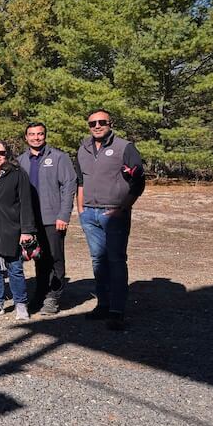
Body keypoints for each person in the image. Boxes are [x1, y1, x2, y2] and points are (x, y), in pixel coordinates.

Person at [76, 109, 145, 330]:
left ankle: (117, 310)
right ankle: (103, 305)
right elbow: (80, 181)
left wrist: (123, 207)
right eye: (92, 123)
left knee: (115, 260)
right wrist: (81, 210)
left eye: (101, 122)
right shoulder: (83, 149)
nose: (97, 126)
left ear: (110, 123)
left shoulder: (124, 147)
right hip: (90, 213)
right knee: (98, 261)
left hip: (114, 214)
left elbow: (139, 181)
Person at [17, 122, 77, 315]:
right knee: (38, 258)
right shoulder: (20, 161)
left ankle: (54, 296)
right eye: (32, 134)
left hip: (53, 219)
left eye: (40, 134)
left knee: (55, 258)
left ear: (45, 136)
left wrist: (63, 215)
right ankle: (40, 293)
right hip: (31, 220)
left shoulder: (59, 158)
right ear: (26, 137)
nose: (36, 137)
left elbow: (68, 187)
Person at [0, 140, 37, 321]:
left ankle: (20, 303)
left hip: (11, 228)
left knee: (15, 268)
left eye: (1, 153)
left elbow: (26, 203)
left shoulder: (17, 175)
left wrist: (26, 230)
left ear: (7, 155)